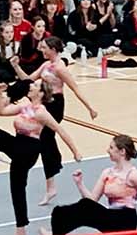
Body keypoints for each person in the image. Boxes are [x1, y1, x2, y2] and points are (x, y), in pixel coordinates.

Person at [0, 80, 83, 235]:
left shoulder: (41, 112)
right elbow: (1, 112)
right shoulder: (25, 105)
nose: (31, 86)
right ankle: (21, 231)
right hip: (18, 144)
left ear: (40, 94)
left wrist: (75, 151)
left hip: (29, 150)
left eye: (35, 86)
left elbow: (60, 130)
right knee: (15, 185)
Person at [44, 135, 137, 235]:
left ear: (122, 152)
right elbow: (92, 201)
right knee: (62, 212)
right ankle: (56, 233)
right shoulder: (107, 173)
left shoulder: (132, 175)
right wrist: (80, 184)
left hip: (125, 219)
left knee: (84, 206)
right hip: (110, 217)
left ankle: (54, 234)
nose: (107, 150)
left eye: (111, 148)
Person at [20, 35, 98, 205]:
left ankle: (52, 184)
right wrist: (15, 67)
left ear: (53, 50)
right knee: (45, 141)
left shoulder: (60, 68)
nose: (41, 50)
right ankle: (52, 181)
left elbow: (75, 88)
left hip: (55, 106)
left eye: (44, 48)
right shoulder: (46, 65)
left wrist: (90, 107)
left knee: (45, 139)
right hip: (45, 104)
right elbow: (28, 80)